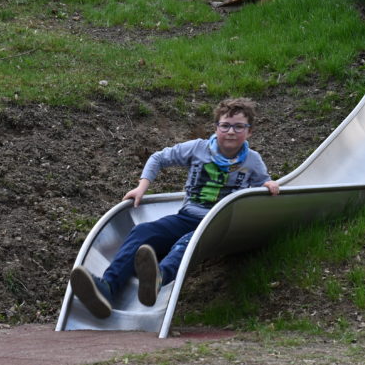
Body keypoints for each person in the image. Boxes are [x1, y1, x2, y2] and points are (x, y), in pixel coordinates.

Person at [70, 97, 281, 317]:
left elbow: (262, 185)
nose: (230, 131)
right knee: (143, 231)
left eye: (239, 127)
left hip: (219, 223)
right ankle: (108, 288)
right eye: (225, 125)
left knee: (186, 242)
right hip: (188, 216)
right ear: (216, 127)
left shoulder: (252, 160)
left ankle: (158, 278)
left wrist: (269, 184)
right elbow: (158, 158)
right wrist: (142, 187)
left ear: (249, 132)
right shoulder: (198, 149)